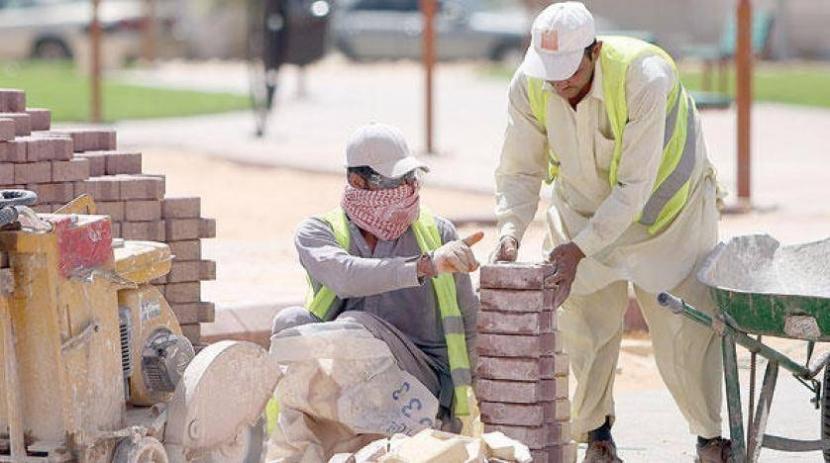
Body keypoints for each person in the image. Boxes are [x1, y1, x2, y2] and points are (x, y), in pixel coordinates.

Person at [490, 2, 730, 462]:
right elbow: (519, 169)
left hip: (668, 219)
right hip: (582, 215)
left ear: (594, 51)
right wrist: (510, 231)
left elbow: (634, 189)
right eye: (550, 73)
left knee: (684, 337)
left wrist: (578, 249)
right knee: (580, 329)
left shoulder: (645, 77)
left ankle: (710, 439)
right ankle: (597, 436)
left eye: (569, 72)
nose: (560, 84)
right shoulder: (531, 85)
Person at [269, 123, 482, 461]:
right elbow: (346, 277)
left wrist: (470, 410)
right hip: (348, 372)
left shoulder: (437, 232)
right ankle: (301, 451)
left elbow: (469, 321)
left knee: (358, 325)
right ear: (357, 182)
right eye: (395, 182)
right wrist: (423, 267)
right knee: (290, 324)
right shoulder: (318, 232)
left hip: (418, 380)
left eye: (411, 179)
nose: (408, 189)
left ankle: (388, 436)